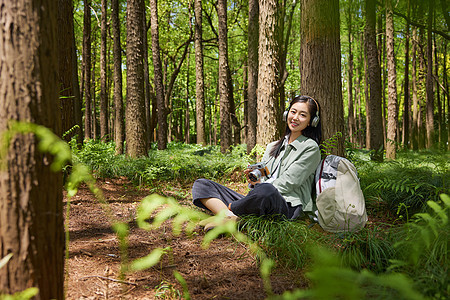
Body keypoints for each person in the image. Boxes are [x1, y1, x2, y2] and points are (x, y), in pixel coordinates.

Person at [192, 95, 322, 229]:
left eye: (302, 115)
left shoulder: (310, 148)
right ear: (286, 113)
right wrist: (254, 179)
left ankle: (233, 212)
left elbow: (289, 182)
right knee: (202, 184)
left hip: (286, 205)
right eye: (293, 112)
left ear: (311, 121)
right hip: (258, 198)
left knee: (267, 190)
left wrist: (260, 187)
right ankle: (230, 217)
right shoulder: (273, 146)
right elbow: (264, 174)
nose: (295, 118)